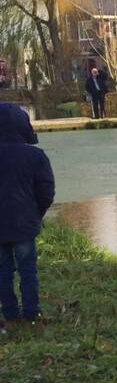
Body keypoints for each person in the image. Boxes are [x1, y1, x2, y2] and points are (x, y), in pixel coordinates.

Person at [0, 103, 55, 328]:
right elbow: (46, 191)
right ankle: (32, 313)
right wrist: (37, 214)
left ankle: (10, 314)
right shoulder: (35, 156)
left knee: (2, 270)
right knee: (27, 268)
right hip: (24, 222)